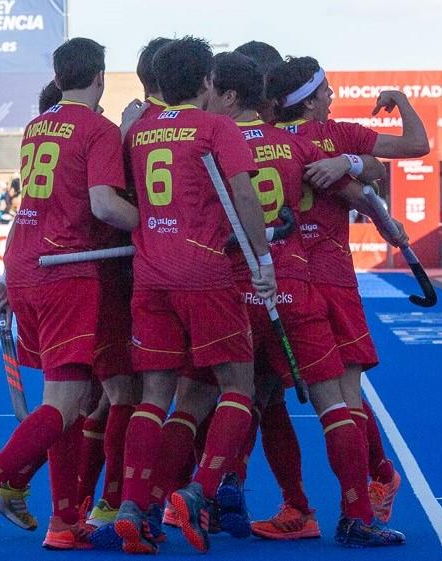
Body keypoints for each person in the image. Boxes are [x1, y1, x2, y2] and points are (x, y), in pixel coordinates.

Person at [0, 37, 140, 556]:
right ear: (100, 76)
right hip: (67, 269)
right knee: (66, 401)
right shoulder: (97, 128)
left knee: (72, 402)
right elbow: (103, 205)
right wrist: (155, 229)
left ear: (58, 78)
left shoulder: (39, 125)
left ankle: (63, 522)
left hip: (26, 263)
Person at [250, 54, 427, 544]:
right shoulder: (332, 135)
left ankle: (321, 503)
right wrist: (364, 175)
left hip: (285, 280)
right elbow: (415, 146)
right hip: (322, 276)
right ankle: (350, 506)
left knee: (274, 395)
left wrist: (358, 173)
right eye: (325, 90)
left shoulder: (268, 137)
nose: (331, 97)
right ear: (308, 98)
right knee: (337, 397)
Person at [112, 36, 274, 555]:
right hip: (205, 273)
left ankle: (134, 507)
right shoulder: (215, 127)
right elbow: (244, 194)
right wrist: (263, 258)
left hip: (150, 274)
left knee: (155, 395)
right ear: (207, 82)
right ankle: (198, 492)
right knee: (238, 389)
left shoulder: (137, 133)